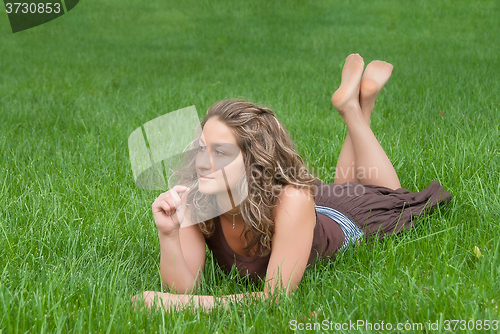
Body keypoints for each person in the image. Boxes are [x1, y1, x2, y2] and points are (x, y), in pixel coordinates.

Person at [131, 53, 452, 311]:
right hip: (305, 206)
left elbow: (274, 299)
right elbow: (186, 288)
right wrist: (168, 235)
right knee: (345, 183)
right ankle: (356, 106)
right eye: (202, 148)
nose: (203, 162)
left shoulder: (292, 200)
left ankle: (355, 111)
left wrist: (183, 306)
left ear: (253, 160)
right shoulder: (196, 197)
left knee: (386, 195)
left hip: (341, 219)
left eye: (221, 152)